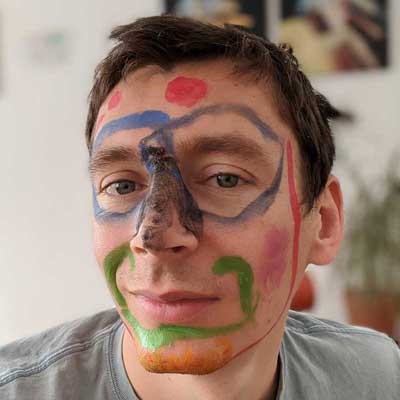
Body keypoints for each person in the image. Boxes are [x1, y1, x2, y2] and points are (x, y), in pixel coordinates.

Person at [0, 15, 398, 400]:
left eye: (225, 178)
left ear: (324, 222)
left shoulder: (378, 378)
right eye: (122, 185)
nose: (153, 237)